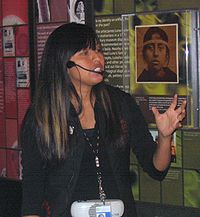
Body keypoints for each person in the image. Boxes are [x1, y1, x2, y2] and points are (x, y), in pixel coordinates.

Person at [20, 22, 186, 217]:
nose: (97, 58)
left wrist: (165, 137)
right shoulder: (42, 116)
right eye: (85, 53)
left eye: (98, 50)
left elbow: (156, 168)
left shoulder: (120, 103)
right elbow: (31, 196)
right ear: (64, 62)